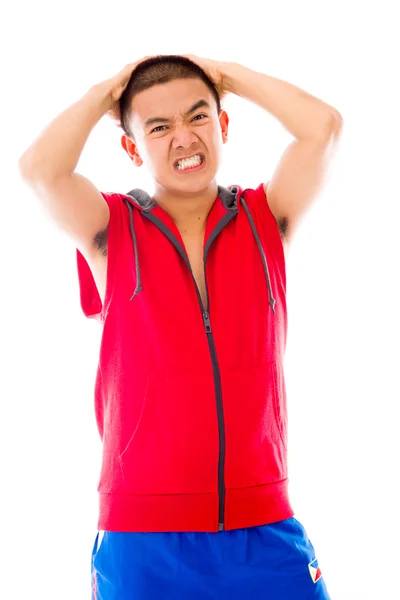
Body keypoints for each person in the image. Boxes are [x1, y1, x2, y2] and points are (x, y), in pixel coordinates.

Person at [19, 54, 343, 599]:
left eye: (197, 117)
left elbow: (323, 129)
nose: (183, 139)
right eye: (159, 127)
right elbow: (40, 170)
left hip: (261, 523)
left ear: (222, 124)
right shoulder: (110, 230)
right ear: (132, 147)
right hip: (142, 536)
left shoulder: (266, 218)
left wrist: (226, 75)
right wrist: (111, 91)